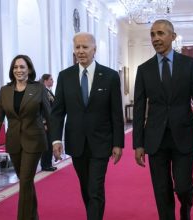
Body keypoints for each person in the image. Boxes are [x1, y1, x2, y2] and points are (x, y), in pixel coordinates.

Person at [133, 19, 193, 220]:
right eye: (152, 34)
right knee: (161, 189)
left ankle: (186, 209)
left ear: (173, 37)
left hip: (183, 136)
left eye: (160, 33)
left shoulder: (189, 64)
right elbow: (140, 108)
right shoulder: (144, 69)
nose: (156, 38)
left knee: (183, 187)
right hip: (155, 139)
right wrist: (138, 144)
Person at [51, 32, 124, 220]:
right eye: (77, 47)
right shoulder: (65, 76)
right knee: (86, 187)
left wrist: (118, 143)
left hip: (101, 142)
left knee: (95, 188)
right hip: (76, 143)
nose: (81, 51)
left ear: (94, 50)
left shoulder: (110, 76)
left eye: (85, 47)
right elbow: (58, 112)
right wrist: (56, 139)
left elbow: (116, 113)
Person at [0, 54, 51, 220]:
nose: (18, 70)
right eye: (15, 67)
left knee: (26, 180)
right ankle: (33, 216)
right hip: (14, 141)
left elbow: (50, 115)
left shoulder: (38, 88)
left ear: (29, 69)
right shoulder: (5, 91)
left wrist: (56, 141)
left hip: (34, 140)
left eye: (22, 67)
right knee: (25, 182)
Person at [40, 74, 57, 171]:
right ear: (45, 80)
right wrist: (44, 123)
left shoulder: (48, 91)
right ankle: (45, 164)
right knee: (46, 144)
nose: (52, 81)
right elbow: (42, 109)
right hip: (46, 122)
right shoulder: (43, 91)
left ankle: (48, 163)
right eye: (51, 79)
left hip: (51, 122)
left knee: (50, 143)